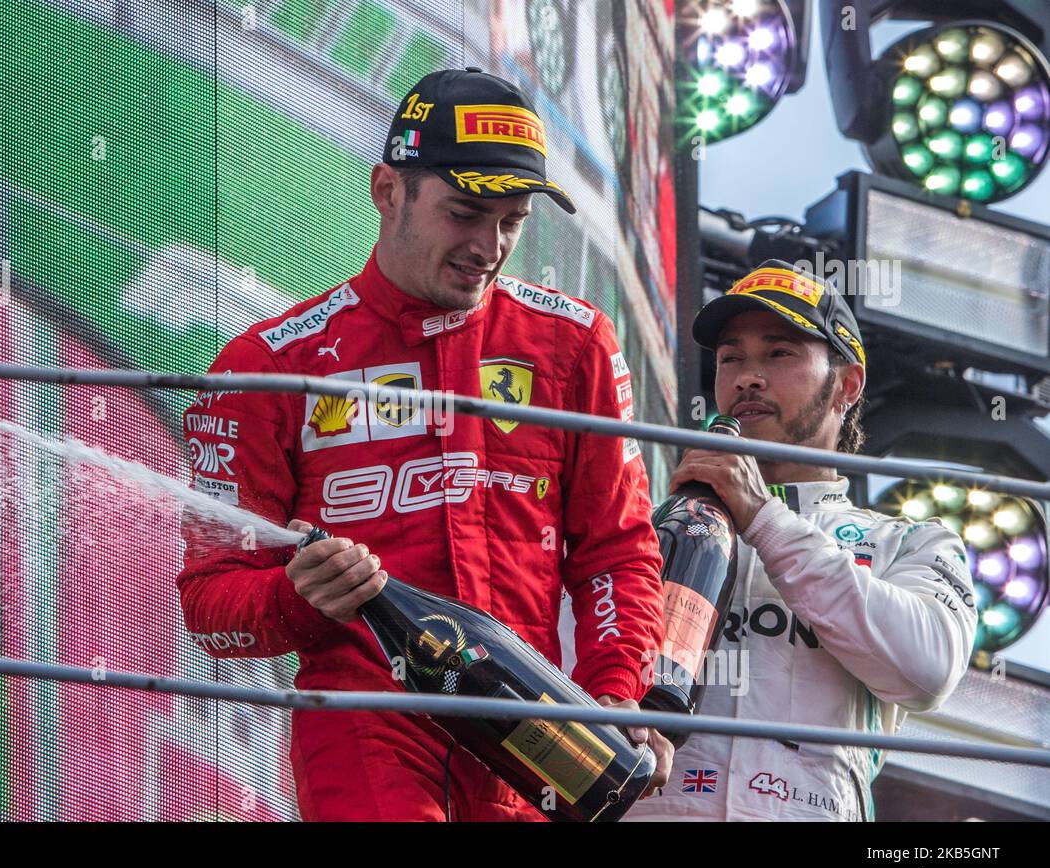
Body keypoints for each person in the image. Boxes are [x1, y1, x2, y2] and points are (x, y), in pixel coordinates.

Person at [177, 67, 671, 821]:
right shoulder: (268, 365)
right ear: (386, 190)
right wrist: (296, 596)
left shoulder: (576, 344)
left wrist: (611, 697)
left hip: (535, 722)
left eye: (512, 221)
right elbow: (212, 603)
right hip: (364, 718)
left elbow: (616, 550)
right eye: (465, 212)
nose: (489, 245)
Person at [623, 260, 978, 822]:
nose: (747, 377)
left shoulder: (911, 541)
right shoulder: (641, 522)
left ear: (846, 385)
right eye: (731, 358)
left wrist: (762, 516)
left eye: (779, 353)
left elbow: (925, 670)